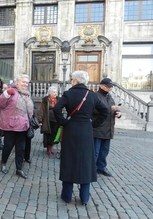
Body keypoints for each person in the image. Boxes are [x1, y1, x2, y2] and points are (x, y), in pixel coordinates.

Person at [53, 70, 108, 205]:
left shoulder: (69, 93)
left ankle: (66, 195)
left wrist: (64, 122)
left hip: (71, 130)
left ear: (75, 81)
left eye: (72, 79)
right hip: (86, 131)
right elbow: (105, 111)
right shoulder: (92, 95)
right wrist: (94, 124)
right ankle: (84, 197)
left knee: (69, 160)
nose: (71, 81)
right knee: (86, 162)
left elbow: (56, 109)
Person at [0, 74, 34, 179]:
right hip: (11, 125)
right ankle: (3, 163)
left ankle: (19, 169)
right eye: (23, 82)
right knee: (8, 146)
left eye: (27, 82)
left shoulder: (27, 94)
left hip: (23, 126)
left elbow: (29, 109)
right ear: (17, 82)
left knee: (21, 148)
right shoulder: (11, 91)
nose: (25, 84)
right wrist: (6, 94)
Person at [93, 78, 122, 177]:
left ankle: (101, 167)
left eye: (111, 87)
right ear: (102, 86)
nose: (110, 89)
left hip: (108, 128)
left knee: (104, 151)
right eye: (108, 87)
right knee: (95, 151)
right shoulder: (95, 96)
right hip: (98, 128)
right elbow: (93, 110)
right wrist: (109, 109)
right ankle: (92, 169)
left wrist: (117, 113)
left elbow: (112, 109)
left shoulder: (110, 97)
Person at [37, 86, 60, 155]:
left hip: (56, 120)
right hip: (47, 120)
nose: (55, 94)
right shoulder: (45, 100)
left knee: (54, 134)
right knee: (48, 135)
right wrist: (40, 121)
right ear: (50, 93)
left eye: (56, 92)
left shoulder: (59, 100)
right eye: (53, 92)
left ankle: (51, 147)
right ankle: (48, 148)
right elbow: (41, 111)